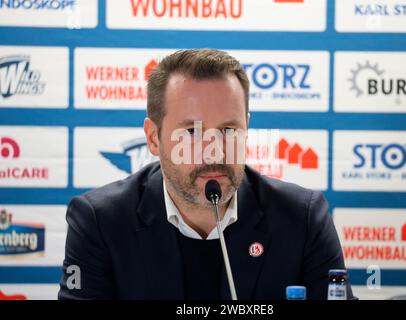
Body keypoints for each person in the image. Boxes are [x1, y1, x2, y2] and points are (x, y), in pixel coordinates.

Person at [58, 49, 353, 300]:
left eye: (228, 130)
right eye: (191, 132)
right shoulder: (100, 222)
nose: (214, 151)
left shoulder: (302, 218)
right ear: (153, 138)